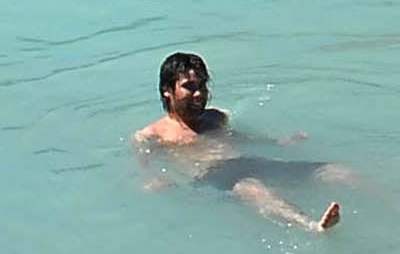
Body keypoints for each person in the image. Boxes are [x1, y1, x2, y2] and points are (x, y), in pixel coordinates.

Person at [134, 51, 341, 232]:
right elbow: (142, 162)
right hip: (214, 179)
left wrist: (278, 142)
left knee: (331, 170)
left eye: (202, 86)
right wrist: (152, 178)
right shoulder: (153, 134)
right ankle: (312, 226)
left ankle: (374, 197)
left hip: (246, 164)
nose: (199, 94)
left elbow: (240, 139)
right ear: (167, 91)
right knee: (251, 188)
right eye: (189, 87)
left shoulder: (216, 117)